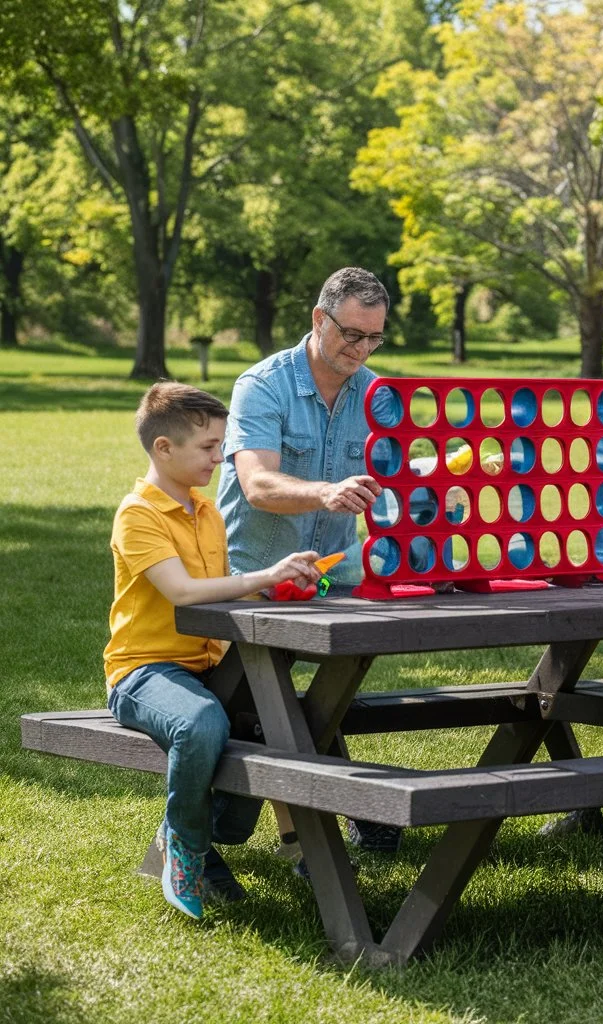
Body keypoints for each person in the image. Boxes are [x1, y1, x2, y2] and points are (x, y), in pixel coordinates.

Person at [104, 382, 323, 920]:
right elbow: (181, 593)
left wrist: (274, 583)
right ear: (163, 448)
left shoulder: (207, 512)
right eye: (207, 446)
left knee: (280, 720)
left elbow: (216, 585)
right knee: (202, 724)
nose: (219, 456)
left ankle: (210, 832)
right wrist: (260, 574)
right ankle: (186, 847)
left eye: (222, 444)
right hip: (143, 672)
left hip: (206, 665)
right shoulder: (139, 515)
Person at [216, 266, 399, 855]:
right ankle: (309, 840)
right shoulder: (262, 385)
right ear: (319, 320)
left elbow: (392, 485)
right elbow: (258, 485)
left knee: (306, 705)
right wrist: (323, 491)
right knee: (262, 705)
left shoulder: (377, 394)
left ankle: (339, 818)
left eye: (374, 337)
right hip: (252, 578)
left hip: (332, 578)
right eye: (351, 334)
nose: (362, 349)